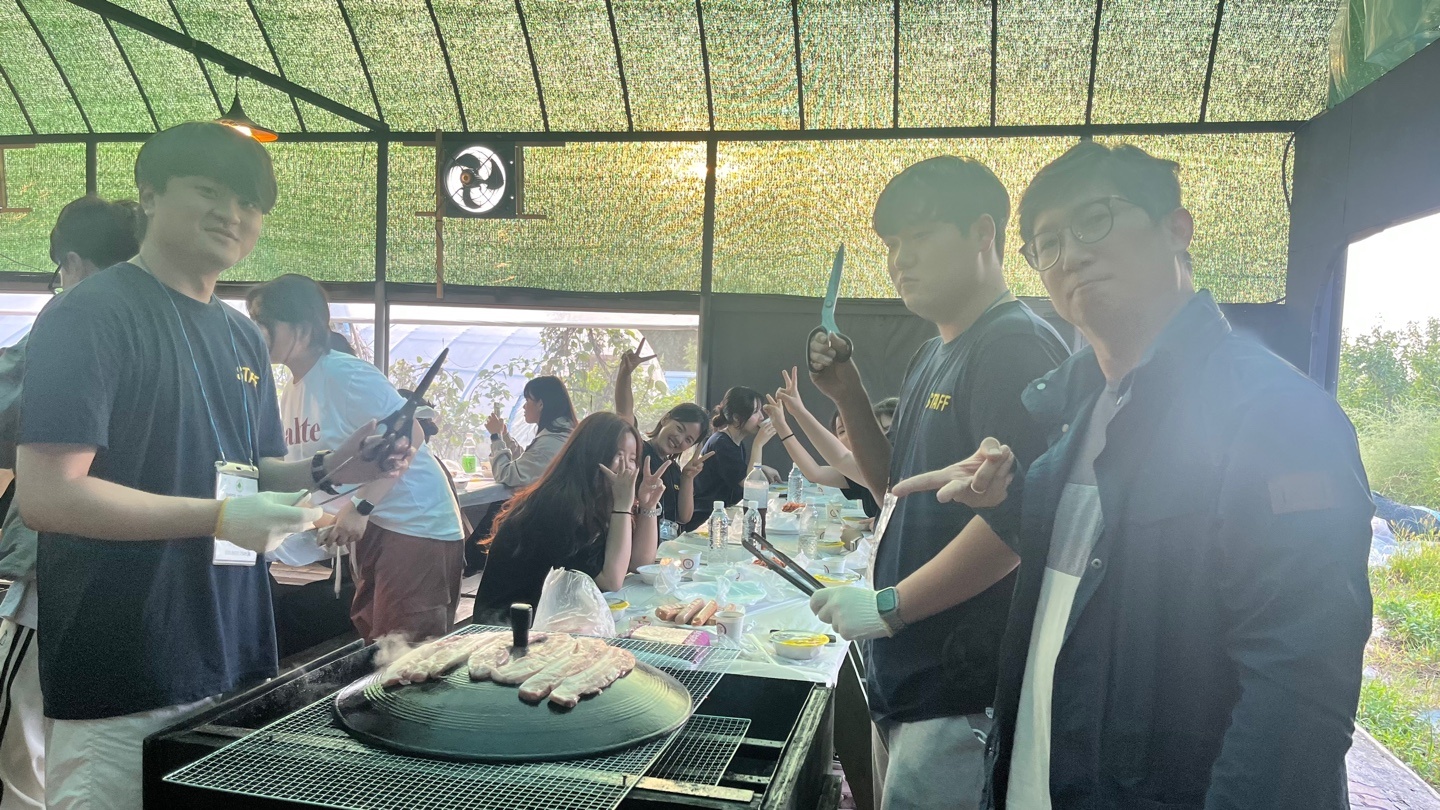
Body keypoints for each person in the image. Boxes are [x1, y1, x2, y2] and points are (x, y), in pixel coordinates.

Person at [878, 142, 1373, 809]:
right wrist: (1007, 503)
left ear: (1177, 229)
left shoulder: (1275, 414)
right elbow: (1089, 584)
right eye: (1047, 242)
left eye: (1095, 221)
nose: (1070, 255)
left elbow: (1300, 689)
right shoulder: (1066, 414)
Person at [14, 122, 410, 810]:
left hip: (233, 648)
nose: (232, 214)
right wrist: (220, 516)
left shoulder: (240, 335)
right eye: (207, 191)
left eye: (249, 203)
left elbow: (253, 466)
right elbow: (48, 496)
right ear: (149, 196)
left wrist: (331, 466)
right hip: (124, 662)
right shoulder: (89, 315)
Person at [804, 155, 1070, 810]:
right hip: (911, 677)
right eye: (892, 245)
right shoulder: (934, 351)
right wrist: (848, 393)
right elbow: (895, 488)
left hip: (961, 687)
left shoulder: (1013, 346)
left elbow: (1018, 525)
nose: (901, 260)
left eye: (919, 237)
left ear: (983, 233)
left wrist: (889, 607)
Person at [0, 195, 143, 810]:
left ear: (74, 262)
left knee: (21, 741)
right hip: (136, 576)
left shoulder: (69, 322)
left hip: (54, 567)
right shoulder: (163, 324)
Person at [247, 273, 466, 643]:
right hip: (373, 526)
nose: (256, 331)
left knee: (404, 652)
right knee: (374, 639)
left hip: (415, 524)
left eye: (264, 321)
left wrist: (362, 506)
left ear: (302, 326)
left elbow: (411, 432)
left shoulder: (344, 373)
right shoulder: (291, 391)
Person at [472, 412, 669, 622]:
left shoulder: (599, 499)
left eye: (632, 458)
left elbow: (639, 564)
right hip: (510, 626)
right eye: (618, 455)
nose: (627, 467)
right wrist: (623, 506)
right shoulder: (559, 504)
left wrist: (648, 507)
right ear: (592, 455)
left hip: (553, 617)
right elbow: (611, 581)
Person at [763, 365, 895, 518]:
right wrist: (785, 423)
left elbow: (840, 458)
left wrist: (799, 412)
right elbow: (817, 472)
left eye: (888, 430)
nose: (881, 438)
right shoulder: (867, 470)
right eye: (842, 431)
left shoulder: (900, 471)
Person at [614, 346, 713, 536]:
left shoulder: (674, 469)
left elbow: (684, 517)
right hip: (634, 539)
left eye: (688, 439)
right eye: (679, 428)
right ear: (666, 419)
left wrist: (687, 478)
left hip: (664, 547)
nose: (679, 439)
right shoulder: (638, 449)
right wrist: (625, 374)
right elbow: (624, 414)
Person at [685, 386, 777, 531]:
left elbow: (739, 472)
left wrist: (762, 468)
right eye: (755, 412)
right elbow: (750, 485)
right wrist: (758, 445)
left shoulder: (734, 441)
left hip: (723, 516)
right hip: (706, 520)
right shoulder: (722, 444)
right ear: (736, 418)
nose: (761, 417)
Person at [486, 375, 576, 488]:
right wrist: (505, 436)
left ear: (540, 404)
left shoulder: (548, 443)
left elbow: (506, 475)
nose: (524, 406)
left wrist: (496, 437)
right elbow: (528, 463)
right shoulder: (564, 432)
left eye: (527, 400)